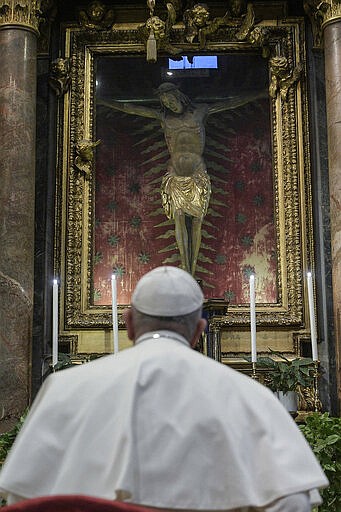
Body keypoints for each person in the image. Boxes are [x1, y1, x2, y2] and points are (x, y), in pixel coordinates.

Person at [0, 266, 328, 511]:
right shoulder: (250, 394)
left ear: (128, 323)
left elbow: (23, 495)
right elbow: (292, 499)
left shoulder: (63, 388)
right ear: (199, 330)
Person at [98, 83, 266, 277]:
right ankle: (185, 268)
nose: (170, 105)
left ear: (179, 96)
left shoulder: (200, 112)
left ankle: (193, 271)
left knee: (197, 222)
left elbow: (232, 103)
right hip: (175, 171)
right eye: (166, 103)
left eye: (171, 100)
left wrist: (261, 92)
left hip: (197, 171)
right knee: (178, 219)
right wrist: (101, 100)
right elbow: (131, 108)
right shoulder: (164, 117)